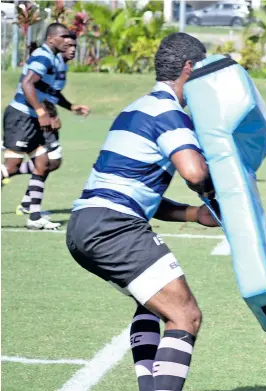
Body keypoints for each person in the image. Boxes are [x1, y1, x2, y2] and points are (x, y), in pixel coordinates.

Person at [66, 33, 219, 391]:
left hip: (84, 224)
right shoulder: (169, 112)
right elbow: (194, 173)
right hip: (113, 227)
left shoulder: (136, 108)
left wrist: (195, 215)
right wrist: (215, 193)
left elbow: (137, 191)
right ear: (189, 69)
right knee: (185, 314)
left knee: (151, 305)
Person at [1, 23, 74, 230]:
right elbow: (27, 84)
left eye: (69, 37)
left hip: (30, 117)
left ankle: (34, 217)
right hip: (21, 117)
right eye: (63, 37)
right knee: (12, 167)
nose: (68, 41)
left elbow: (45, 89)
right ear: (51, 39)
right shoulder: (43, 56)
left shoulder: (52, 58)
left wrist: (64, 108)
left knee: (43, 163)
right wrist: (42, 113)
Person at [16, 34, 89, 216]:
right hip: (38, 115)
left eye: (75, 46)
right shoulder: (52, 61)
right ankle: (21, 193)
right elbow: (36, 89)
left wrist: (70, 106)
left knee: (49, 162)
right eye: (69, 45)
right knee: (50, 161)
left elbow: (53, 92)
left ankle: (26, 200)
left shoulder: (60, 63)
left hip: (42, 114)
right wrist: (49, 113)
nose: (72, 49)